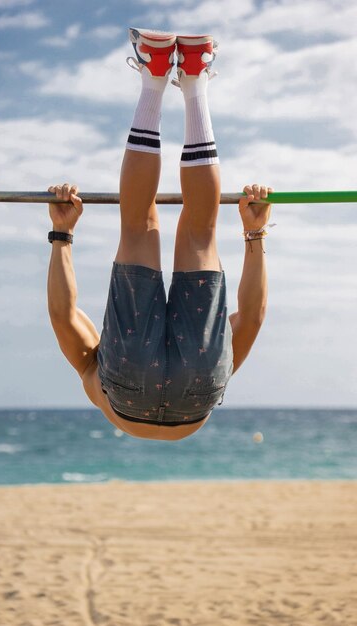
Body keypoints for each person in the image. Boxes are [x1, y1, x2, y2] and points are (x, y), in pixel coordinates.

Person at [47, 28, 273, 441]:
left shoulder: (220, 358)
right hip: (127, 381)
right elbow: (63, 315)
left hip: (197, 388)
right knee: (139, 225)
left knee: (200, 232)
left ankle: (194, 79)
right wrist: (61, 234)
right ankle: (155, 76)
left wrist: (253, 234)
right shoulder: (92, 375)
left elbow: (253, 315)